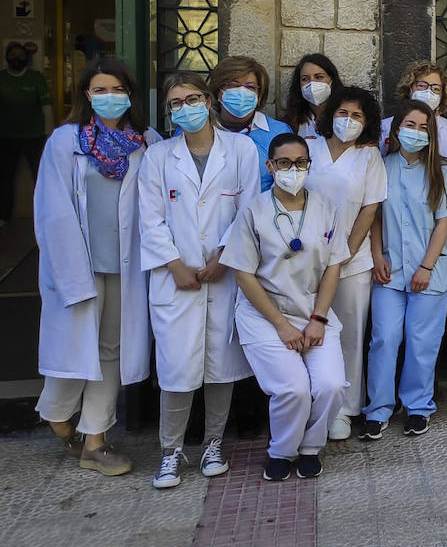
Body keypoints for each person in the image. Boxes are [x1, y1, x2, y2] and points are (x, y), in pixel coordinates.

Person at [34, 57, 159, 476]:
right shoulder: (66, 141)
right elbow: (53, 211)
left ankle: (95, 441)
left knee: (110, 351)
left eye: (117, 90)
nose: (109, 98)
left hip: (125, 267)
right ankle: (56, 417)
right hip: (79, 265)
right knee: (74, 349)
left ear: (131, 95)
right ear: (86, 95)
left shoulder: (146, 141)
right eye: (100, 90)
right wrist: (70, 273)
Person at [138, 72, 259, 489]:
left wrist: (225, 257)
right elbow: (150, 219)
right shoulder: (158, 156)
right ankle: (170, 451)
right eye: (176, 103)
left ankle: (213, 444)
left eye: (192, 98)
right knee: (176, 368)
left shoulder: (241, 149)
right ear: (169, 112)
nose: (186, 107)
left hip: (224, 273)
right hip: (176, 277)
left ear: (208, 101)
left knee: (220, 365)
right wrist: (174, 265)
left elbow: (248, 210)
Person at [221, 133, 349, 481]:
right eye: (284, 163)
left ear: (309, 164)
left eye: (300, 162)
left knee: (331, 385)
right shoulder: (253, 211)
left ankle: (309, 447)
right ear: (270, 166)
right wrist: (281, 325)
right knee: (292, 389)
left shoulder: (325, 208)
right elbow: (243, 274)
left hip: (313, 311)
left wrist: (319, 319)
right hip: (265, 315)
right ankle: (282, 450)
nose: (293, 169)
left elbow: (334, 266)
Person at [359, 101, 447, 439]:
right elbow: (373, 216)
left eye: (423, 127)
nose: (415, 132)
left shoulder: (443, 173)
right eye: (410, 124)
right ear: (396, 128)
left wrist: (426, 266)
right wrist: (376, 255)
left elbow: (444, 224)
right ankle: (378, 409)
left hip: (429, 271)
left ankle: (418, 406)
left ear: (431, 135)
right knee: (384, 338)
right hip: (389, 270)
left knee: (422, 341)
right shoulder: (381, 167)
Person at [304, 86, 386, 440]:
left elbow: (370, 208)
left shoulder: (369, 157)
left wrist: (346, 253)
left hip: (353, 261)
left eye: (357, 116)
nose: (348, 121)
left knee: (351, 334)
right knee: (310, 332)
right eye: (342, 113)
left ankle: (346, 410)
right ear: (329, 115)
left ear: (366, 123)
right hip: (306, 261)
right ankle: (310, 406)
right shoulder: (308, 148)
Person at [209, 55, 291, 191]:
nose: (242, 92)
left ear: (259, 95)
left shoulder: (279, 132)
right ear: (218, 91)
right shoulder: (199, 130)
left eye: (250, 87)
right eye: (233, 85)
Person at [0, 42, 51, 228]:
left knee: (41, 176)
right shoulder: (2, 78)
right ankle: (4, 216)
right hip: (6, 136)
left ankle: (46, 214)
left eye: (20, 55)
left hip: (35, 136)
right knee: (5, 177)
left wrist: (48, 135)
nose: (16, 59)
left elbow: (47, 108)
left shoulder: (35, 78)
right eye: (12, 54)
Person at [380, 61, 447, 156]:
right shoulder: (383, 128)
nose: (428, 92)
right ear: (409, 89)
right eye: (421, 86)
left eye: (436, 89)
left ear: (443, 95)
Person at [284, 53, 342, 139]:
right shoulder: (289, 122)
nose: (312, 83)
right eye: (305, 79)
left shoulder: (345, 116)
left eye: (319, 77)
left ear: (332, 80)